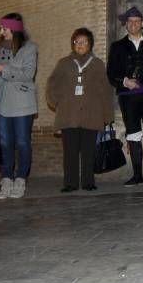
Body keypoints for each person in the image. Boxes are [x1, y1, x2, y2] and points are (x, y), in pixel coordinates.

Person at [46, 28, 115, 192]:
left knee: (88, 152)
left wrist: (107, 115)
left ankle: (88, 182)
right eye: (77, 42)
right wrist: (57, 102)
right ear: (73, 44)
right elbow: (52, 83)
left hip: (91, 114)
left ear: (90, 44)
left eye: (84, 41)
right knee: (70, 152)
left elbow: (105, 90)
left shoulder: (97, 64)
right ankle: (70, 183)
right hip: (68, 114)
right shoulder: (64, 63)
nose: (80, 44)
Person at [107, 7, 143, 186]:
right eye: (130, 22)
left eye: (137, 21)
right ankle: (137, 176)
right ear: (126, 25)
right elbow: (111, 72)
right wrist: (125, 81)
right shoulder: (117, 46)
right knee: (133, 134)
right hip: (128, 97)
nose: (133, 24)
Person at [0, 13, 38, 200]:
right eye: (0, 28)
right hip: (1, 102)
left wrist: (4, 69)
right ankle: (6, 179)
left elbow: (28, 74)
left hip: (21, 103)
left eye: (4, 28)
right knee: (4, 143)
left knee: (22, 142)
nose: (1, 32)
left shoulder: (29, 48)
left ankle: (20, 179)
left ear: (14, 29)